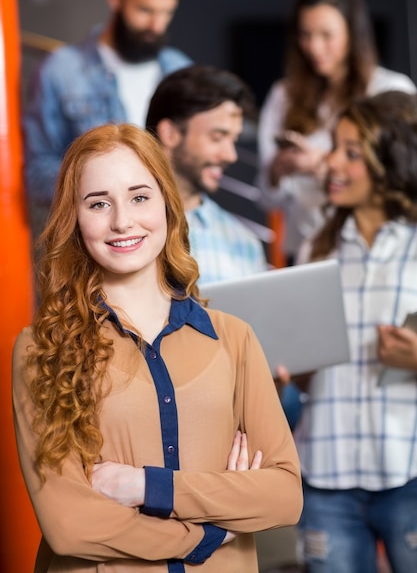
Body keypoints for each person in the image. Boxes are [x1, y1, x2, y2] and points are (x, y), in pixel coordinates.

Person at [12, 123, 303, 573]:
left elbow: (283, 497)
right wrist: (211, 531)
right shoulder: (40, 350)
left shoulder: (234, 338)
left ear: (168, 204)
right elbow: (70, 525)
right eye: (98, 203)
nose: (122, 221)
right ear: (75, 219)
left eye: (139, 197)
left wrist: (148, 487)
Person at [291, 90, 417, 573]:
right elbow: (302, 370)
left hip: (408, 469)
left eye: (350, 151)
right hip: (326, 472)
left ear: (389, 161)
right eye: (333, 148)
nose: (331, 163)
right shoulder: (314, 249)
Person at [23, 0, 192, 242]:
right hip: (99, 241)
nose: (157, 25)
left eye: (167, 13)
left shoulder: (180, 69)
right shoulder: (62, 70)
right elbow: (36, 170)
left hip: (169, 236)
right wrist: (99, 187)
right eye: (145, 11)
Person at [257, 0, 416, 265]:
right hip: (308, 249)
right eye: (305, 35)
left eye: (326, 35)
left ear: (353, 33)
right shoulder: (284, 95)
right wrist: (277, 171)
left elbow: (403, 174)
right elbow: (268, 197)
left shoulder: (389, 92)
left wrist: (321, 165)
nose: (315, 47)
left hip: (378, 246)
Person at [146, 64, 268, 284]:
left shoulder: (244, 244)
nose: (230, 155)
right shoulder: (120, 229)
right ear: (170, 133)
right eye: (217, 137)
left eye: (234, 140)